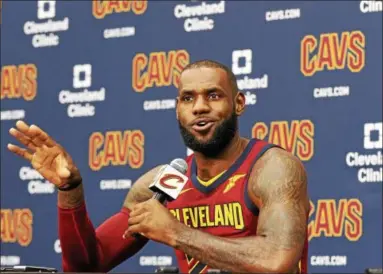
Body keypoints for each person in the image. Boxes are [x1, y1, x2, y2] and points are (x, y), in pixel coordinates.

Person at [7, 60, 310, 274]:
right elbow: (88, 265)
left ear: (239, 103)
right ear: (178, 110)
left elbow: (277, 259)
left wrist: (175, 232)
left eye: (213, 95)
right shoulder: (164, 183)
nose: (200, 107)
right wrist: (70, 190)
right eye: (188, 98)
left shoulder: (272, 168)